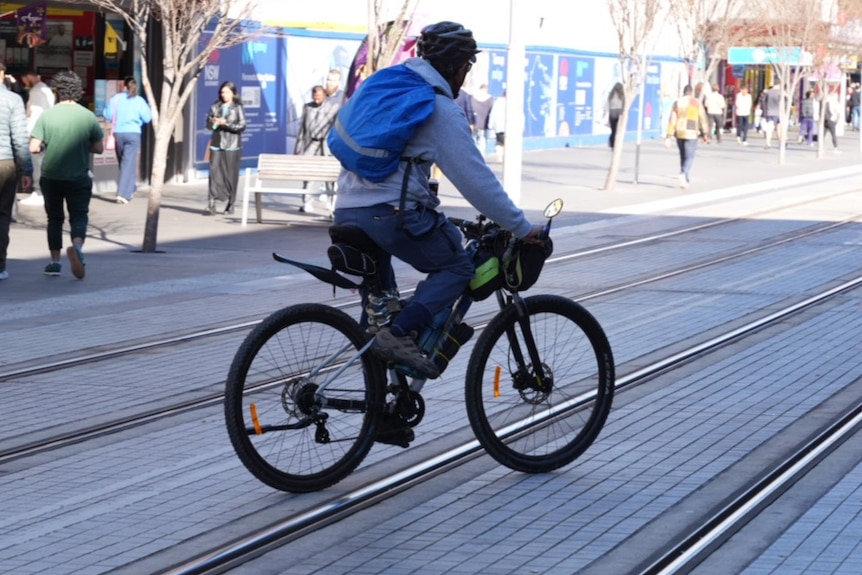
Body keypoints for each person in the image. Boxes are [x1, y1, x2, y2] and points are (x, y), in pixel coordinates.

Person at [332, 21, 542, 378]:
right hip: (390, 214)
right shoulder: (438, 108)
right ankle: (399, 335)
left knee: (379, 315)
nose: (465, 74)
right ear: (459, 67)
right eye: (466, 66)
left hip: (346, 210)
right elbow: (477, 181)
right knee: (457, 267)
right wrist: (521, 227)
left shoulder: (388, 87)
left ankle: (383, 407)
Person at [29, 70, 103, 279]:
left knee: (54, 219)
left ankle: (54, 262)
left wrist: (46, 145)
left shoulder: (48, 115)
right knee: (79, 215)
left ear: (57, 91)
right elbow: (98, 148)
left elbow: (34, 147)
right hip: (79, 176)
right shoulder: (87, 116)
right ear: (78, 91)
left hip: (51, 176)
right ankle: (77, 247)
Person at [0, 63, 33, 280]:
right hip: (5, 163)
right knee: (2, 215)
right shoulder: (12, 100)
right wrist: (26, 168)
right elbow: (20, 139)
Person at [104, 76, 152, 204]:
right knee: (128, 162)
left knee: (124, 162)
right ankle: (123, 193)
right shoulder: (139, 101)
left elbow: (108, 115)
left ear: (124, 86)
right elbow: (147, 118)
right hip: (133, 134)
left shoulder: (116, 98)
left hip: (118, 133)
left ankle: (127, 189)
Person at [294, 84, 338, 213]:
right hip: (311, 143)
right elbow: (302, 128)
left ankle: (332, 202)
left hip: (326, 145)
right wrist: (298, 147)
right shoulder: (307, 107)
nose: (316, 99)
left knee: (330, 175)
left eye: (319, 97)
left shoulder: (334, 108)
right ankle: (307, 203)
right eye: (314, 97)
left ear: (325, 95)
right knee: (308, 174)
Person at [204, 81, 246, 215]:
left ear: (233, 93)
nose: (224, 95)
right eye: (222, 92)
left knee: (230, 175)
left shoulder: (237, 107)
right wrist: (215, 123)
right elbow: (209, 125)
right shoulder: (215, 106)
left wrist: (226, 123)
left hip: (232, 145)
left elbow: (242, 126)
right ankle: (211, 202)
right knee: (214, 173)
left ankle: (231, 203)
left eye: (227, 92)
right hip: (217, 144)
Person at [18, 69, 54, 206]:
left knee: (37, 163)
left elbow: (34, 114)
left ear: (29, 77)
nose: (26, 84)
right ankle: (40, 191)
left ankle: (38, 192)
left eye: (25, 81)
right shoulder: (46, 90)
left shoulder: (36, 92)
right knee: (41, 162)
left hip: (36, 132)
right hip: (44, 130)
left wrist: (29, 132)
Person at [665, 85, 708, 189]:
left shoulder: (677, 102)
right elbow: (702, 118)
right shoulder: (696, 102)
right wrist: (705, 133)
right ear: (691, 92)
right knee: (690, 156)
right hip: (691, 132)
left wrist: (669, 135)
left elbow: (672, 119)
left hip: (679, 132)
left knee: (683, 156)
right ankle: (683, 173)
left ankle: (685, 180)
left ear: (683, 92)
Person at [470, 83, 493, 154]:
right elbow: (492, 111)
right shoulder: (489, 98)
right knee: (483, 141)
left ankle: (473, 155)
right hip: (485, 123)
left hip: (475, 122)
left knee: (473, 139)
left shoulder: (473, 97)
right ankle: (481, 157)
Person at [761, 83, 783, 149]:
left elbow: (763, 101)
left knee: (770, 129)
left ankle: (768, 143)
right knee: (779, 128)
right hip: (779, 113)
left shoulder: (768, 92)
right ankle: (781, 143)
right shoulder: (780, 92)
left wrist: (765, 110)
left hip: (770, 112)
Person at [488, 89, 507, 162]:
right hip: (507, 127)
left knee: (499, 142)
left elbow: (493, 114)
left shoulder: (497, 103)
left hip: (498, 126)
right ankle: (504, 156)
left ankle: (499, 156)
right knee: (506, 142)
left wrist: (491, 124)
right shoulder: (512, 103)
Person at [605, 82, 625, 148]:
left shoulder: (611, 95)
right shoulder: (622, 95)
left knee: (613, 130)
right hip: (619, 113)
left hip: (612, 113)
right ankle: (615, 144)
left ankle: (612, 143)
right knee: (617, 130)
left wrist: (605, 112)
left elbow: (607, 104)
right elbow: (624, 105)